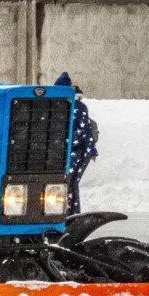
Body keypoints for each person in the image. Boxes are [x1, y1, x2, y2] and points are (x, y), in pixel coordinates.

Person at [57, 72, 98, 216]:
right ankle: (68, 211)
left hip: (79, 151)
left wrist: (91, 150)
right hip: (70, 150)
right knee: (68, 182)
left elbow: (85, 130)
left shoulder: (78, 107)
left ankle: (73, 213)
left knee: (71, 182)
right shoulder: (63, 106)